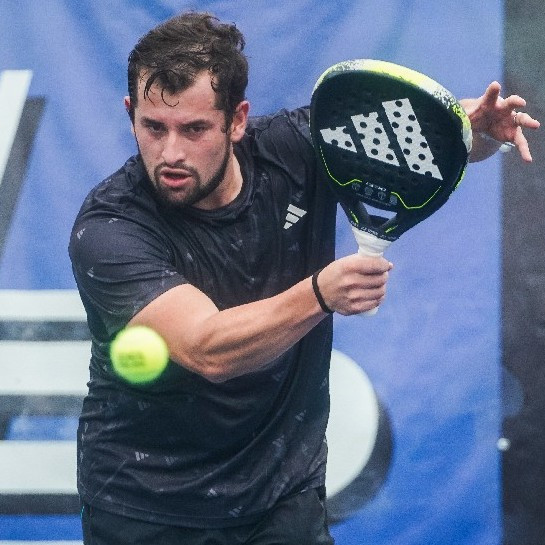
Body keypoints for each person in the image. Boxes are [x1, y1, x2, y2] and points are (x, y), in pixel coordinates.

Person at [68, 11, 539, 545]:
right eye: (154, 127)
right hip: (147, 508)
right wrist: (320, 293)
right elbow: (207, 349)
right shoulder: (110, 227)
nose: (171, 152)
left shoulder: (298, 147)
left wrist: (477, 132)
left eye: (194, 129)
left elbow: (429, 145)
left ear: (237, 120)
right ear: (130, 114)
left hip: (283, 499)